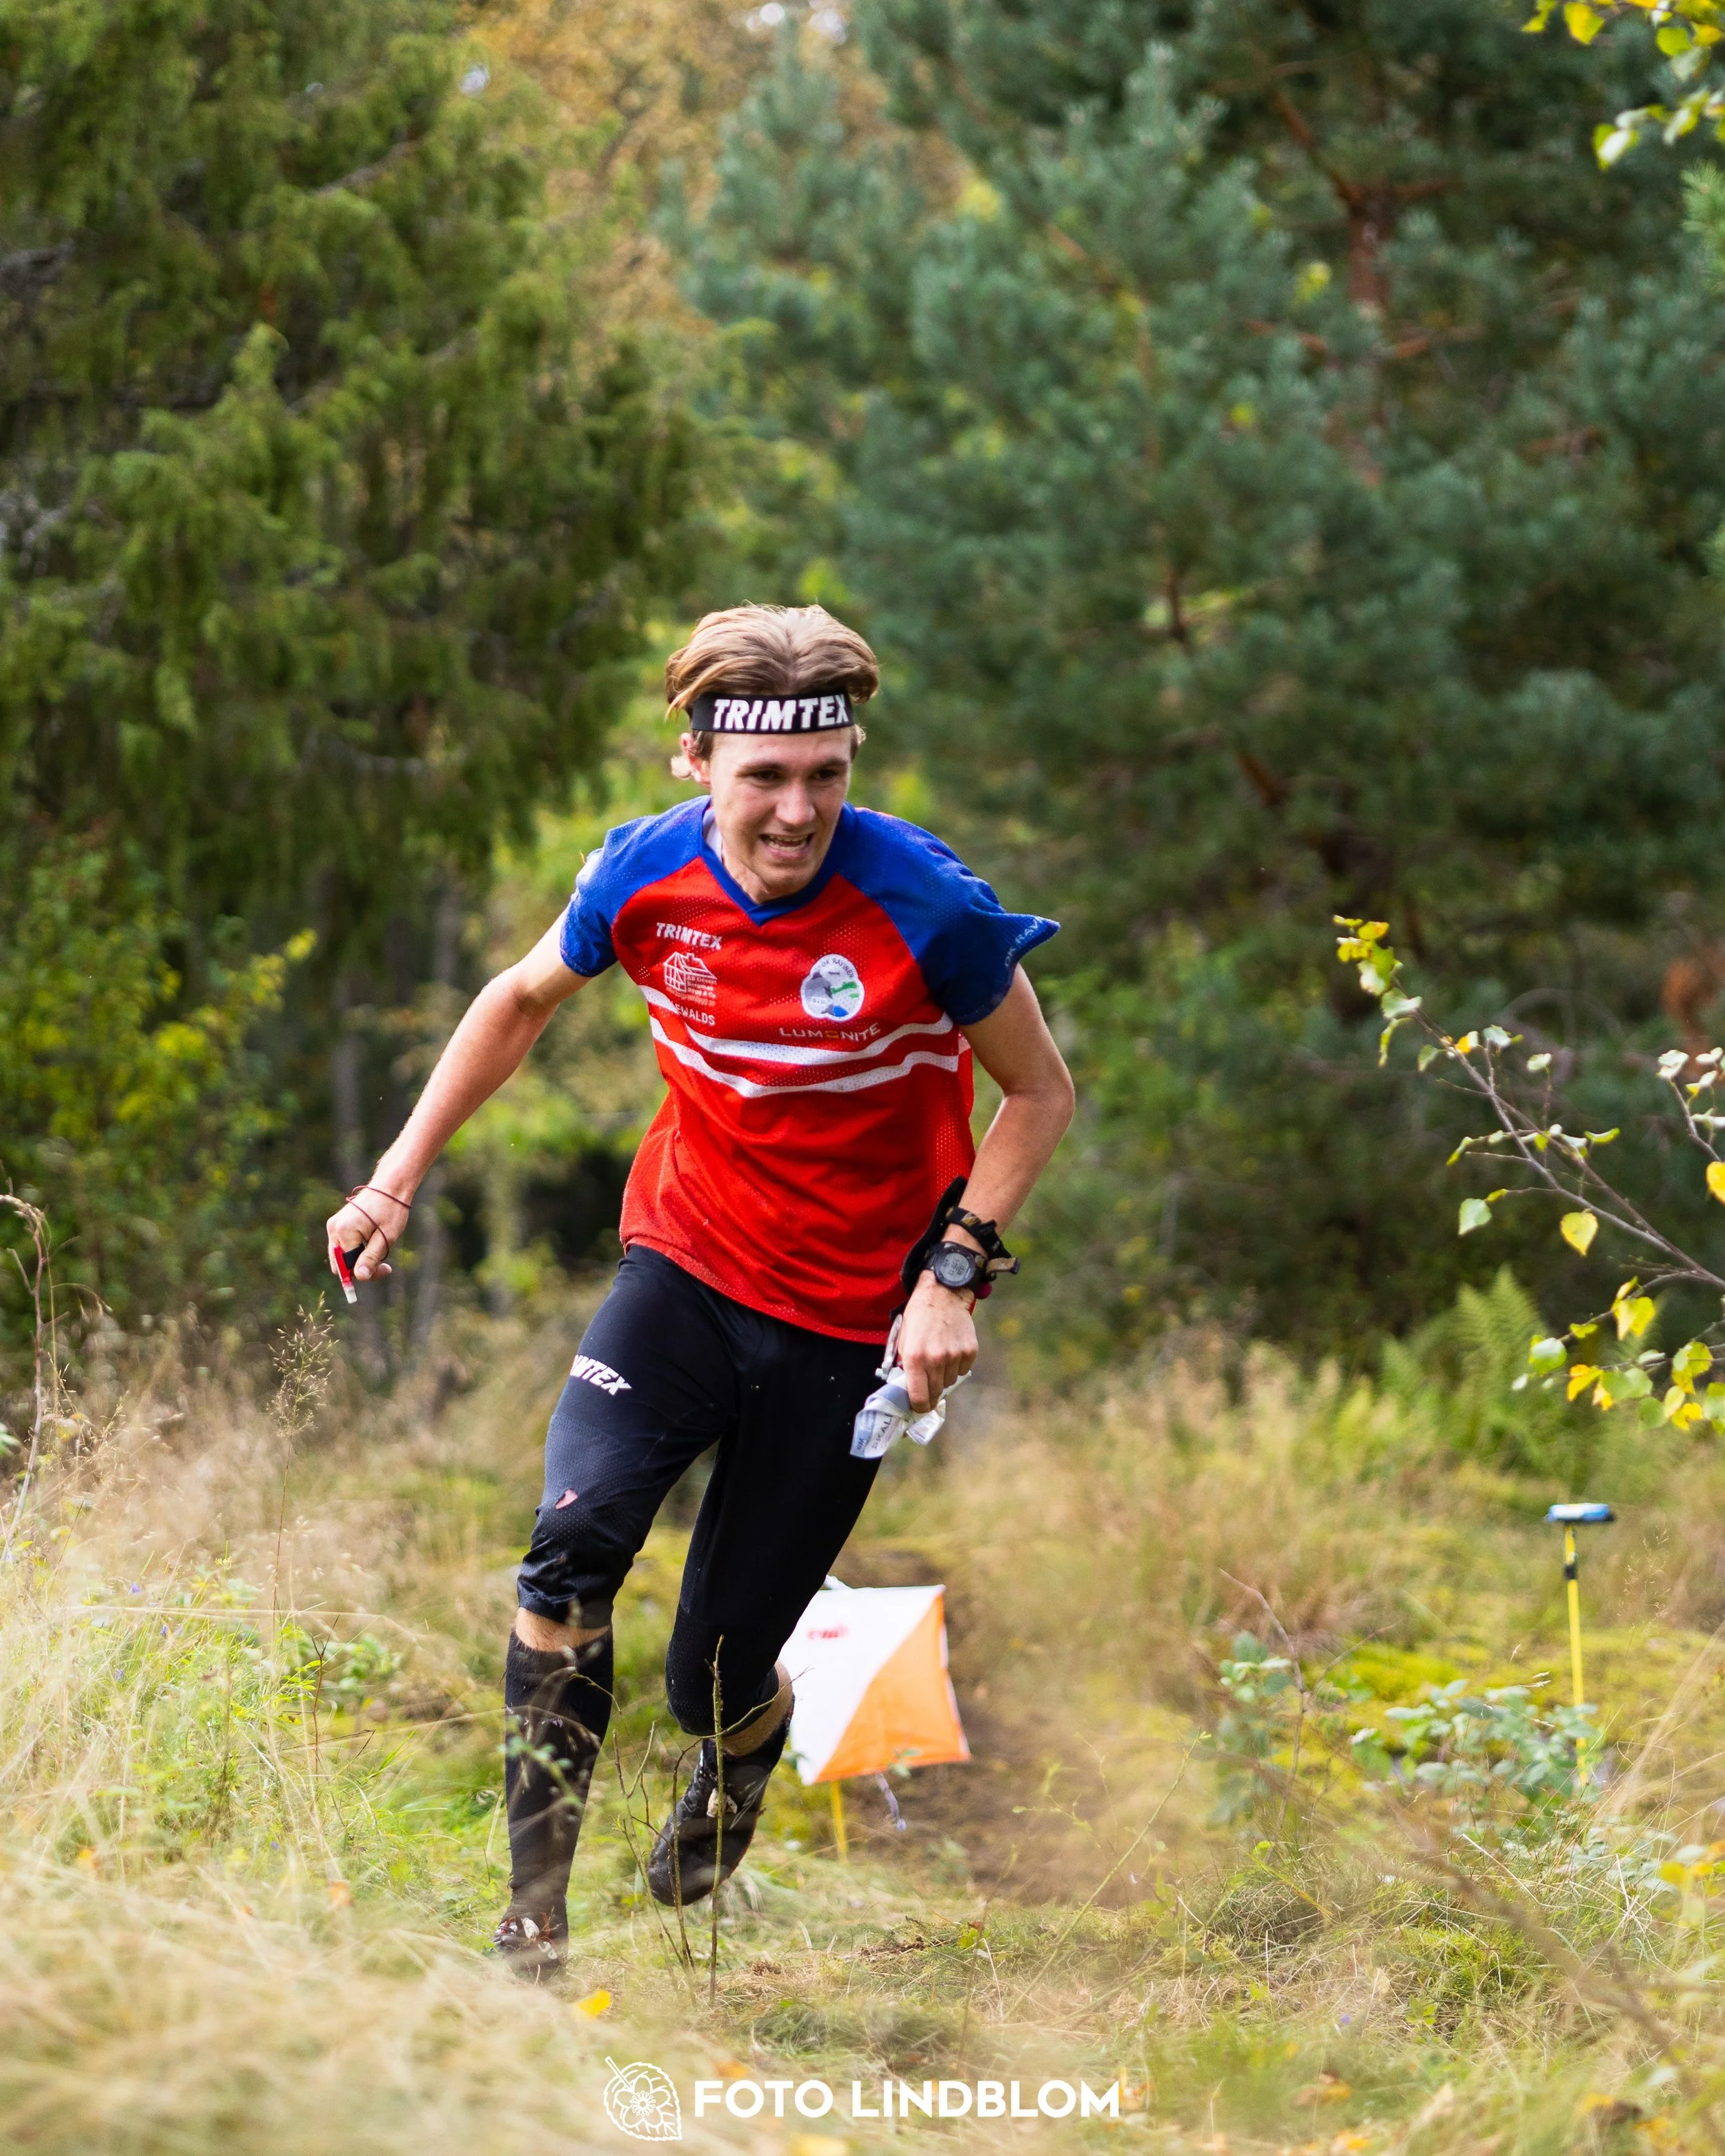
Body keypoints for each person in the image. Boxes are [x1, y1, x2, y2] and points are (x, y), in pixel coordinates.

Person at [324, 603, 1074, 1975]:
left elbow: (1038, 1090)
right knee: (571, 1545)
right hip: (684, 1262)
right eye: (764, 777)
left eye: (825, 775)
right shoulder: (641, 875)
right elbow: (514, 998)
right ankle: (531, 1920)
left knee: (713, 1677)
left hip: (850, 1317)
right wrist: (395, 1176)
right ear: (695, 758)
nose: (796, 811)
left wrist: (952, 1271)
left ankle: (735, 1766)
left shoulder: (929, 906)